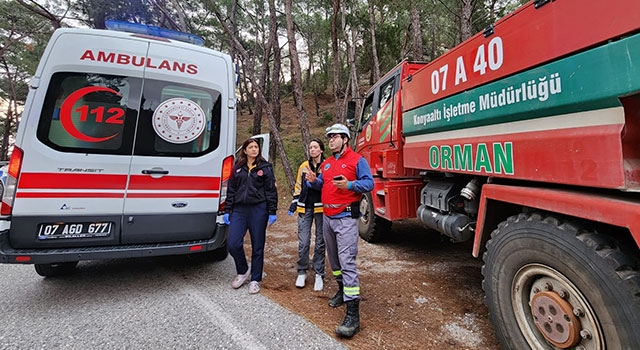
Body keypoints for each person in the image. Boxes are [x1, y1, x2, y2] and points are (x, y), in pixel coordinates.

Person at [306, 123, 373, 338]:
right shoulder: (325, 164)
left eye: (334, 137)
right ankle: (342, 290)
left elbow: (369, 184)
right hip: (327, 218)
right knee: (334, 261)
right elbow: (323, 185)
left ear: (345, 139)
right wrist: (313, 181)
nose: (330, 140)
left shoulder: (357, 160)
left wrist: (350, 186)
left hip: (345, 218)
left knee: (347, 262)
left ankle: (353, 315)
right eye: (329, 138)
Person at [223, 138, 278, 295]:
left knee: (257, 246)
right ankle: (242, 271)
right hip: (239, 210)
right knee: (233, 243)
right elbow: (232, 190)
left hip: (258, 209)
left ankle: (255, 279)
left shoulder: (265, 167)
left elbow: (271, 191)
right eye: (251, 147)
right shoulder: (238, 168)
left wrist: (272, 211)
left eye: (256, 147)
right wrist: (227, 210)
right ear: (245, 150)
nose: (254, 149)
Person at [288, 138, 326, 291]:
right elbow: (298, 186)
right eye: (310, 147)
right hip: (305, 208)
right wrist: (294, 201)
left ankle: (319, 273)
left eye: (315, 147)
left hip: (321, 208)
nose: (312, 150)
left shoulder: (326, 166)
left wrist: (316, 182)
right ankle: (302, 271)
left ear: (321, 150)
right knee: (303, 242)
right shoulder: (304, 166)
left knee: (320, 242)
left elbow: (327, 186)